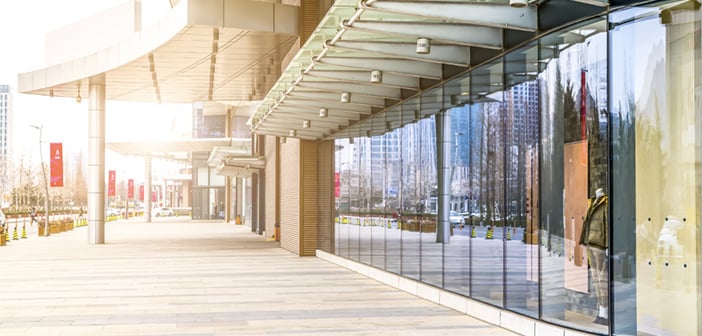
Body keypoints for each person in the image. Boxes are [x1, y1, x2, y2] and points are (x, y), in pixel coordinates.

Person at [580, 187, 608, 325]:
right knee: (596, 278)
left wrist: (608, 245)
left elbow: (608, 225)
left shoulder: (605, 204)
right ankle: (602, 312)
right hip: (590, 243)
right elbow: (586, 224)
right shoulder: (592, 203)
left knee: (602, 279)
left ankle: (605, 313)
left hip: (600, 245)